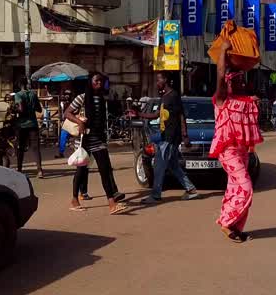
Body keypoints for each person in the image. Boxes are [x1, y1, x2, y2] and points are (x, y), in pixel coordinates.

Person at [210, 60, 263, 243]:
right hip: (228, 151)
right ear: (228, 82)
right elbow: (220, 74)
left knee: (234, 189)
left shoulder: (245, 101)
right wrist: (224, 50)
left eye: (242, 81)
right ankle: (226, 223)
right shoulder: (220, 99)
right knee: (246, 187)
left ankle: (236, 228)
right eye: (237, 81)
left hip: (241, 151)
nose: (241, 84)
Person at [64, 72, 127, 214]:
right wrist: (79, 121)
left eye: (101, 81)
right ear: (90, 82)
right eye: (96, 81)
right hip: (84, 139)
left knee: (105, 170)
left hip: (98, 138)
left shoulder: (102, 98)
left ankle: (112, 203)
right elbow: (67, 113)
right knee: (81, 171)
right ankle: (74, 200)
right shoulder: (82, 97)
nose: (99, 83)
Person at [138, 72, 199, 203]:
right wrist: (139, 114)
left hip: (171, 136)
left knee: (159, 165)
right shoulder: (163, 97)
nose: (157, 82)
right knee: (173, 165)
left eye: (158, 80)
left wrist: (185, 135)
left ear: (165, 80)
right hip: (164, 135)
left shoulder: (174, 95)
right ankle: (191, 189)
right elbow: (156, 115)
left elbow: (181, 115)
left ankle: (155, 195)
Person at [12, 79, 44, 178]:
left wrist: (14, 108)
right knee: (36, 148)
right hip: (33, 124)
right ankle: (39, 170)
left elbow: (20, 109)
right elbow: (39, 109)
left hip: (22, 125)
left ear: (19, 84)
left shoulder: (18, 95)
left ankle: (19, 169)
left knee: (20, 147)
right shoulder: (33, 94)